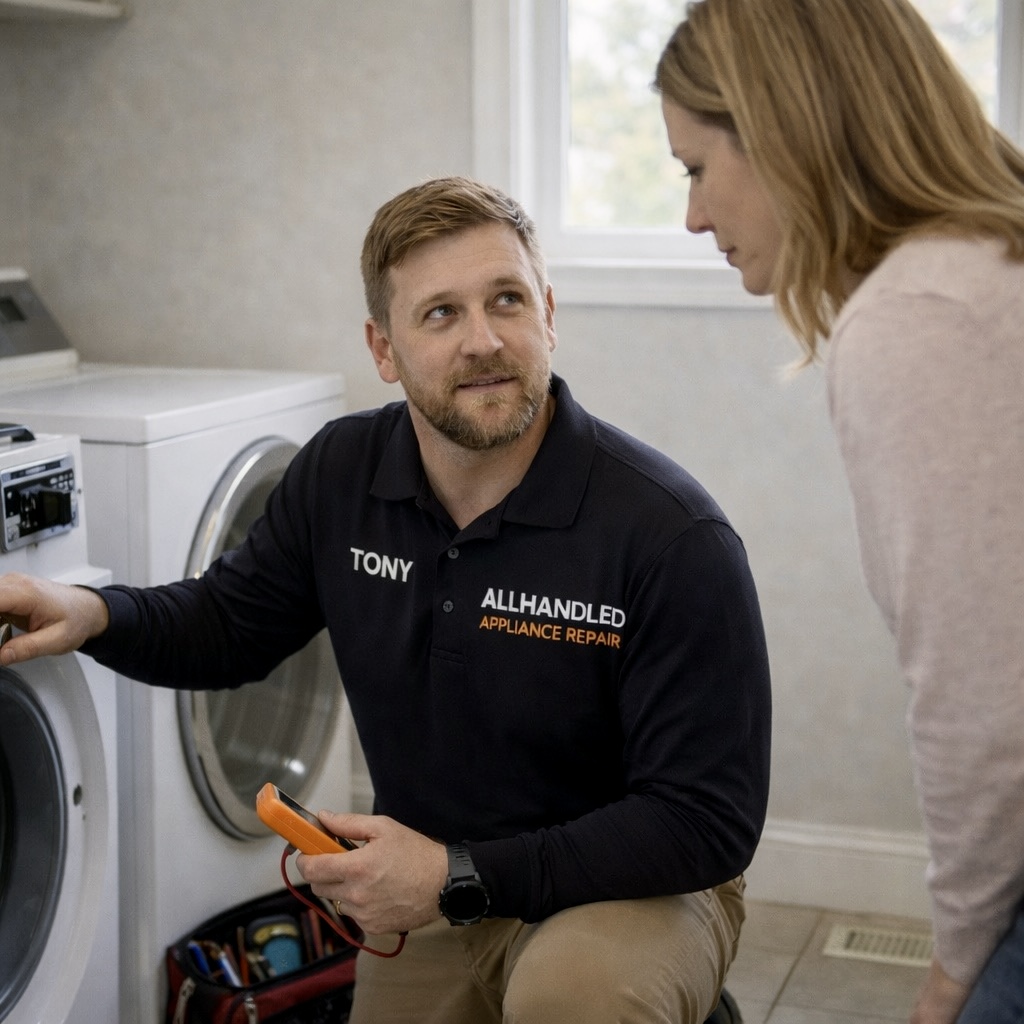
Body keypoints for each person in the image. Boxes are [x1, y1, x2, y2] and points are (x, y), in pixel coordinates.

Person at [0, 176, 771, 1023]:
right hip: (435, 894)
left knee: (572, 1004)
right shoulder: (341, 475)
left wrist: (458, 876)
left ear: (549, 313)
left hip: (627, 888)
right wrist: (91, 612)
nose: (484, 341)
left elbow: (704, 820)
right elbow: (229, 625)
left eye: (506, 300)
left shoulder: (670, 535)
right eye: (440, 314)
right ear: (383, 350)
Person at [653, 3, 1024, 1023]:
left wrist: (953, 963)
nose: (691, 216)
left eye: (694, 168)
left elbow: (987, 710)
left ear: (779, 130)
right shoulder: (989, 260)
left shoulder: (918, 316)